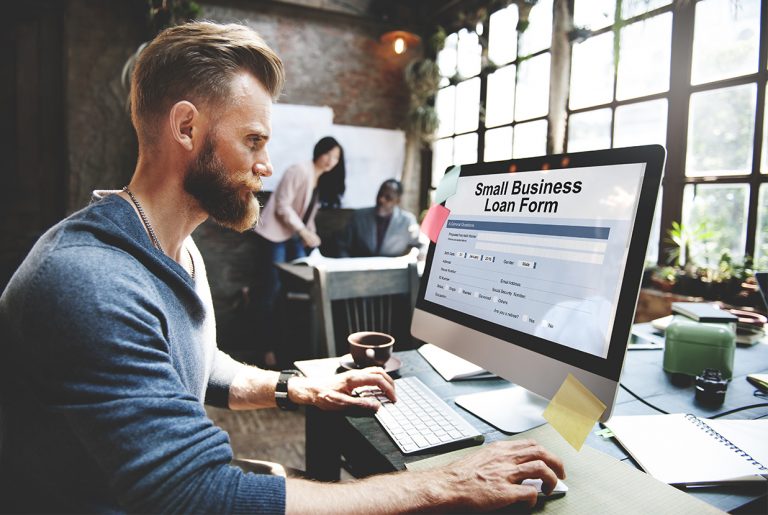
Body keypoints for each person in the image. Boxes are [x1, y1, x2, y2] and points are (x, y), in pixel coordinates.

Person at [0, 21, 565, 513]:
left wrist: (303, 389)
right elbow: (195, 497)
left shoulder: (175, 247)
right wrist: (441, 485)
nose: (267, 166)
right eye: (253, 141)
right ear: (186, 128)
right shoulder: (90, 281)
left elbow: (202, 367)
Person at [252, 136, 344, 366]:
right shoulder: (299, 170)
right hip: (274, 235)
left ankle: (288, 347)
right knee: (271, 291)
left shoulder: (319, 179)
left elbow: (307, 215)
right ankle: (265, 348)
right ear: (318, 151)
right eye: (328, 154)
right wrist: (304, 232)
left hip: (293, 237)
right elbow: (282, 206)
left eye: (336, 158)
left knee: (293, 291)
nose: (331, 161)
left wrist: (311, 236)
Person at [338, 179, 423, 258]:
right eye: (380, 194)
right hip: (360, 269)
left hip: (392, 271)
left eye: (388, 197)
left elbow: (421, 244)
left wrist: (417, 256)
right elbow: (342, 245)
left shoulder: (407, 220)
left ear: (397, 201)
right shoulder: (358, 216)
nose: (381, 199)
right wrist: (348, 265)